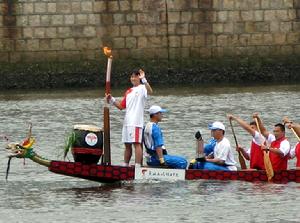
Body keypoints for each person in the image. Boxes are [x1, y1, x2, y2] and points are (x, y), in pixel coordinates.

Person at [106, 69, 153, 167]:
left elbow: (150, 91)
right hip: (127, 122)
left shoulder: (142, 88)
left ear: (139, 78)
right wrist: (111, 99)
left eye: (135, 76)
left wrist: (144, 79)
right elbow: (121, 106)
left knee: (136, 143)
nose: (133, 78)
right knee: (127, 145)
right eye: (131, 77)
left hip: (136, 122)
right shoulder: (128, 91)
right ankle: (125, 165)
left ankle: (137, 166)